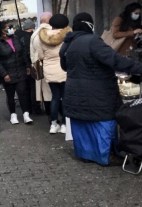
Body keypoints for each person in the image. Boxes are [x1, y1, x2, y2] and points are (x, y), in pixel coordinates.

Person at [60, 12, 142, 166]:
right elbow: (115, 60)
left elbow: (65, 66)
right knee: (104, 122)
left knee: (81, 123)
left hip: (74, 92)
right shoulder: (92, 41)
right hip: (98, 93)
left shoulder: (68, 43)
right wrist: (139, 68)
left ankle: (86, 154)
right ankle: (106, 155)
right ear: (89, 25)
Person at [0, 21, 33, 125]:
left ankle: (26, 114)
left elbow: (23, 52)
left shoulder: (16, 38)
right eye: (9, 27)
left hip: (20, 70)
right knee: (10, 95)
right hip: (7, 73)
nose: (12, 29)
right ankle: (13, 114)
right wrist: (4, 74)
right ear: (3, 30)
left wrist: (27, 65)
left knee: (22, 92)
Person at [39, 14, 71, 134]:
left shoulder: (43, 36)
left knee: (55, 97)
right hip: (64, 69)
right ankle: (64, 124)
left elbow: (41, 55)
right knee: (64, 97)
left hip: (49, 70)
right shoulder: (67, 36)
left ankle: (53, 124)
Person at [30, 12, 53, 121]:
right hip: (51, 65)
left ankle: (50, 117)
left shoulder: (34, 34)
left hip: (38, 66)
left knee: (46, 94)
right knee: (55, 93)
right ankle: (59, 119)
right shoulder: (52, 32)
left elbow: (32, 52)